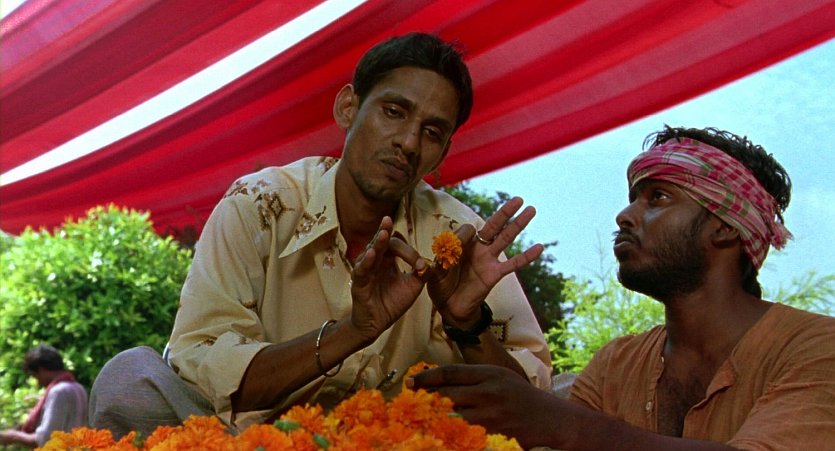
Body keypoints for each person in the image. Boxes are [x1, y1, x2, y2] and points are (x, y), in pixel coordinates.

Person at [89, 32, 551, 436]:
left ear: (443, 152)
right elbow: (198, 367)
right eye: (394, 112)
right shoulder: (260, 204)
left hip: (400, 442)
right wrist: (351, 333)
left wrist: (467, 324)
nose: (409, 142)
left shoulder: (455, 240)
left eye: (431, 132)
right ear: (348, 107)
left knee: (570, 398)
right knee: (130, 379)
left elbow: (533, 404)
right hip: (252, 441)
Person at [409, 126, 835, 450]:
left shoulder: (817, 347)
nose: (624, 215)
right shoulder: (616, 364)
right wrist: (467, 322)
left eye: (658, 198)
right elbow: (534, 426)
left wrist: (567, 424)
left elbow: (557, 425)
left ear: (725, 227)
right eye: (634, 197)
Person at [1, 345, 88, 448]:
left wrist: (14, 436)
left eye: (35, 376)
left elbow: (45, 440)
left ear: (41, 370)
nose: (38, 382)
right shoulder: (78, 388)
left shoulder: (58, 391)